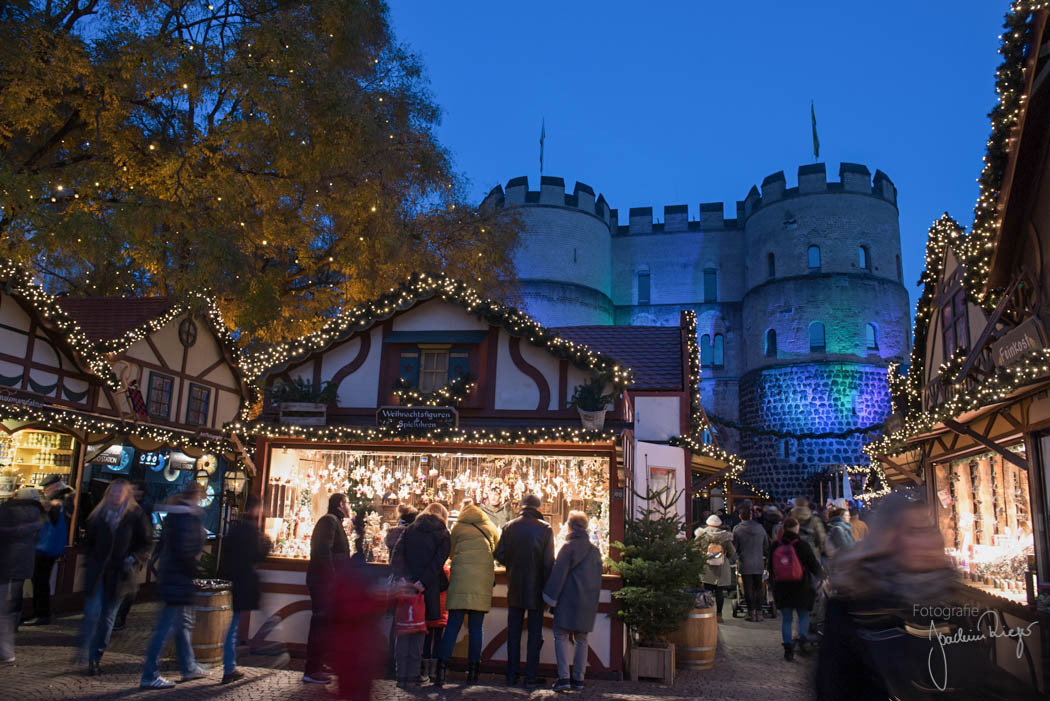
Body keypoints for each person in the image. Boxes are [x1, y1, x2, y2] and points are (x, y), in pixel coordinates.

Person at [813, 495, 1041, 700]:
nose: (930, 540)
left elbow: (974, 676)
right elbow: (835, 687)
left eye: (930, 529)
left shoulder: (950, 601)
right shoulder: (854, 610)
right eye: (914, 531)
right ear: (889, 540)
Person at [77, 478, 151, 675]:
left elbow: (145, 543)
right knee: (92, 614)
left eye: (120, 493)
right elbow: (89, 543)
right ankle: (85, 650)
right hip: (98, 572)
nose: (116, 496)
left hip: (119, 574)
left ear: (127, 495)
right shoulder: (98, 516)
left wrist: (132, 558)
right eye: (114, 492)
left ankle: (95, 657)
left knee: (107, 618)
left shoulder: (135, 516)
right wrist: (91, 563)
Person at [140, 481, 207, 689]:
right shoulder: (186, 518)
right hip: (178, 579)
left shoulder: (178, 515)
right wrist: (193, 571)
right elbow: (185, 550)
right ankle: (149, 674)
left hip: (173, 576)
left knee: (182, 624)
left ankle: (188, 667)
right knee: (165, 628)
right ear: (196, 496)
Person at [436, 499, 499, 686]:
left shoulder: (457, 528)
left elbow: (451, 553)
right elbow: (495, 550)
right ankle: (473, 671)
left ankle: (441, 669)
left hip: (460, 583)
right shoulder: (490, 527)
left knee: (453, 625)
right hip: (480, 583)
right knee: (476, 628)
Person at [495, 494, 554, 686]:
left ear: (521, 506)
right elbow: (548, 563)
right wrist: (547, 588)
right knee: (534, 634)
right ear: (538, 507)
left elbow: (499, 553)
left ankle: (511, 675)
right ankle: (530, 676)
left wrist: (512, 566)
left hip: (515, 586)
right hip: (536, 588)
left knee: (513, 633)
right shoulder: (545, 529)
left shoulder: (509, 526)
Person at [390, 502, 450, 686]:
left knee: (403, 629)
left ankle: (401, 674)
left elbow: (397, 555)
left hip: (406, 586)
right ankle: (415, 673)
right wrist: (422, 582)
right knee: (420, 630)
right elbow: (438, 562)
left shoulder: (410, 530)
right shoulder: (443, 534)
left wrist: (402, 578)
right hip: (426, 588)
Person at [543, 511, 602, 692]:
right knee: (581, 639)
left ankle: (564, 678)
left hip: (568, 599)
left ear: (570, 526)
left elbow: (558, 575)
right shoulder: (594, 551)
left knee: (560, 636)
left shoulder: (567, 548)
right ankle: (579, 679)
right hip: (587, 601)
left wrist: (549, 598)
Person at [220, 495, 272, 684]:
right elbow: (258, 554)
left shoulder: (235, 529)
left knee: (235, 624)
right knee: (240, 623)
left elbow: (227, 553)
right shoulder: (251, 530)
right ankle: (272, 649)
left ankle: (230, 666)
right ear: (255, 510)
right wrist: (267, 541)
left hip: (238, 581)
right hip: (247, 581)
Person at [303, 492, 351, 685]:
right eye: (348, 503)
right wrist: (332, 578)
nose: (350, 507)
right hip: (324, 583)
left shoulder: (333, 521)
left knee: (325, 625)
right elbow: (323, 551)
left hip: (327, 582)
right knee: (320, 626)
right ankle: (312, 669)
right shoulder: (329, 521)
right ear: (340, 504)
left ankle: (319, 664)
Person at [768, 517, 822, 661]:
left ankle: (788, 648)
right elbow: (813, 565)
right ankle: (802, 641)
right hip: (801, 587)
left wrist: (772, 584)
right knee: (803, 615)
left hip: (782, 587)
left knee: (786, 619)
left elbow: (770, 567)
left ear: (784, 528)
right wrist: (822, 576)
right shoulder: (802, 545)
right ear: (797, 528)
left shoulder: (775, 545)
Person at [0, 487, 44, 663]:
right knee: (13, 599)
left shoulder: (8, 509)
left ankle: (5, 649)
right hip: (25, 560)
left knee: (2, 604)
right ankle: (9, 641)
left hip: (4, 560)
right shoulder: (40, 513)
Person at [23, 475, 73, 627]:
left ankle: (41, 614)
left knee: (40, 581)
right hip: (50, 547)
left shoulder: (58, 502)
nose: (45, 490)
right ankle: (39, 613)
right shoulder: (62, 501)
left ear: (56, 486)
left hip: (45, 548)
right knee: (40, 581)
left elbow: (47, 523)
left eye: (47, 487)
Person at [112, 480, 153, 631]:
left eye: (133, 489)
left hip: (132, 555)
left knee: (128, 588)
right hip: (121, 556)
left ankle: (120, 617)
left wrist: (137, 556)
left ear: (140, 492)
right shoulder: (122, 507)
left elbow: (146, 536)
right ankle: (113, 617)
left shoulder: (142, 509)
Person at [695, 514, 736, 622]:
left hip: (706, 567)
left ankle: (707, 613)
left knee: (707, 591)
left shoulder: (702, 535)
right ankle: (719, 615)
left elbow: (694, 549)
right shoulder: (725, 537)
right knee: (719, 592)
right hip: (721, 567)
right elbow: (732, 552)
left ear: (707, 523)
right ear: (719, 525)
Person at [732, 505, 769, 622]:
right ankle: (759, 612)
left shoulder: (737, 529)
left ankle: (751, 612)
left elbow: (734, 547)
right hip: (758, 562)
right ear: (751, 516)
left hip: (745, 562)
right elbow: (766, 545)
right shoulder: (760, 528)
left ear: (740, 516)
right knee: (759, 588)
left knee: (747, 588)